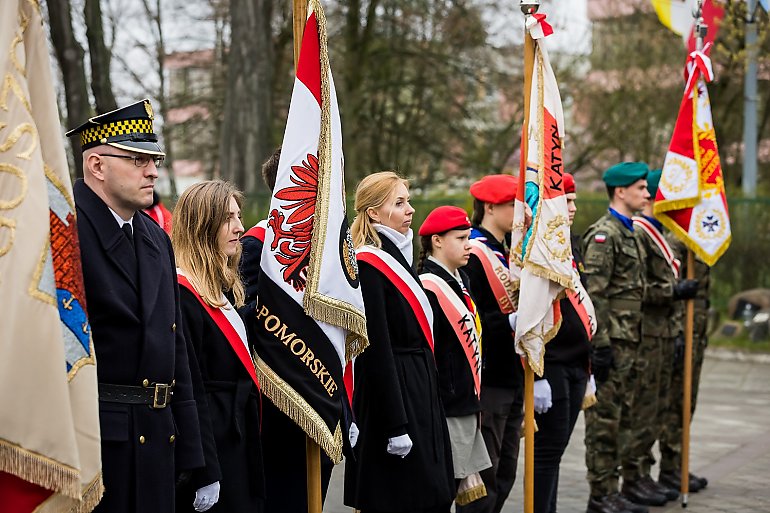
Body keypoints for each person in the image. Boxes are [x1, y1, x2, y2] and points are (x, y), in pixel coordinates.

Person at [66, 99, 204, 513]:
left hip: (158, 439)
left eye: (154, 159)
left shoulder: (154, 235)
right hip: (95, 446)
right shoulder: (64, 232)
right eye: (136, 159)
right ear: (97, 166)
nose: (153, 171)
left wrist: (196, 454)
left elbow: (175, 348)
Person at [344, 171, 455, 513]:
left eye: (408, 201)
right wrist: (395, 423)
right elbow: (375, 348)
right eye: (400, 202)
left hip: (418, 386)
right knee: (402, 496)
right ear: (374, 213)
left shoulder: (397, 256)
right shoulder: (370, 263)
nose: (410, 210)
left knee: (431, 492)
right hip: (394, 395)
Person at [237, 147, 336, 512]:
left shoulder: (326, 247)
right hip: (280, 394)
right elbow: (248, 320)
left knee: (316, 495)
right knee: (286, 496)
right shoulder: (256, 245)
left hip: (322, 387)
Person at [172, 180, 265, 512]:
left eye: (239, 216)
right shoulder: (183, 292)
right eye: (228, 218)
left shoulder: (220, 288)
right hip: (214, 444)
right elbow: (189, 389)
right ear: (201, 226)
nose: (240, 227)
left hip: (236, 434)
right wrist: (204, 470)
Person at [621, 169, 700, 505]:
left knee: (659, 408)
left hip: (667, 330)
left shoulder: (660, 232)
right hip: (645, 333)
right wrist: (673, 291)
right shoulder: (641, 233)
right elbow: (635, 287)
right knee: (641, 409)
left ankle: (650, 472)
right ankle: (635, 475)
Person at [581, 162, 650, 513]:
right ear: (620, 191)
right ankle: (601, 493)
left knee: (624, 416)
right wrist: (601, 344)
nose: (647, 194)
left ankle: (615, 487)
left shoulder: (631, 232)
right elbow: (595, 294)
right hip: (613, 342)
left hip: (631, 339)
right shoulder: (603, 235)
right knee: (604, 419)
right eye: (640, 188)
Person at [417, 206, 492, 507]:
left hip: (466, 402)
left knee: (474, 498)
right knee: (445, 493)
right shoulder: (429, 287)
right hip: (448, 406)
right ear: (437, 241)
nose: (468, 245)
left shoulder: (459, 280)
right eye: (461, 238)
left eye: (469, 237)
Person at [459, 174, 522, 513]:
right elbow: (471, 314)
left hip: (514, 375)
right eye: (511, 205)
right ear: (489, 207)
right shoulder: (472, 251)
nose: (518, 212)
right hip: (490, 377)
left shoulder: (510, 251)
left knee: (507, 470)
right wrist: (510, 322)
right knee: (485, 474)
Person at [532, 173, 595, 513]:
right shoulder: (538, 245)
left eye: (573, 200)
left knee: (557, 451)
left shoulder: (572, 241)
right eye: (566, 200)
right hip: (552, 364)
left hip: (577, 363)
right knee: (546, 452)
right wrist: (538, 374)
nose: (572, 207)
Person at [657, 235, 710, 493]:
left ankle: (677, 463)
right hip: (682, 330)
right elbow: (672, 285)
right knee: (675, 402)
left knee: (688, 401)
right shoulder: (676, 238)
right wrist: (679, 331)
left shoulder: (700, 236)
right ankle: (669, 467)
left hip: (697, 331)